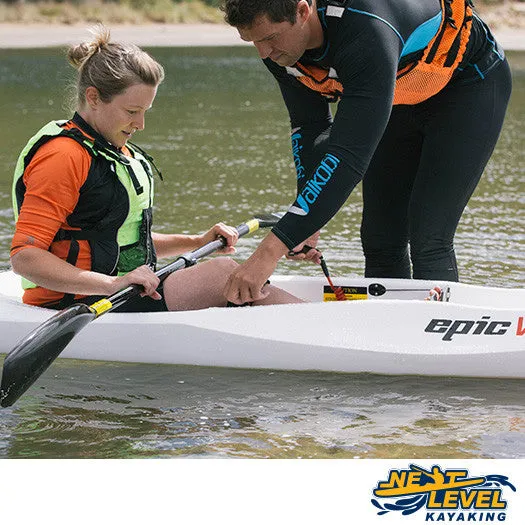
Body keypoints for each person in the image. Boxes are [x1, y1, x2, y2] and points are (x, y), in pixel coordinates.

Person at [220, 0, 512, 305]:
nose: (263, 53)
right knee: (381, 239)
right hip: (398, 90)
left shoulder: (366, 29)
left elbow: (347, 157)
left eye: (268, 39)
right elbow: (310, 126)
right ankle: (387, 338)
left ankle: (440, 336)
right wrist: (303, 219)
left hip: (467, 86)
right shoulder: (281, 48)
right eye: (252, 42)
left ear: (303, 12)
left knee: (429, 237)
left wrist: (270, 251)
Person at [10, 26, 301, 312]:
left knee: (232, 276)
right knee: (222, 273)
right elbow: (25, 257)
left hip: (125, 291)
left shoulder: (112, 149)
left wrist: (196, 241)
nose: (141, 124)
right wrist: (113, 284)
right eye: (131, 112)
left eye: (145, 112)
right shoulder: (62, 156)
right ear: (94, 97)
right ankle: (311, 322)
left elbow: (124, 239)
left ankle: (305, 317)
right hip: (80, 302)